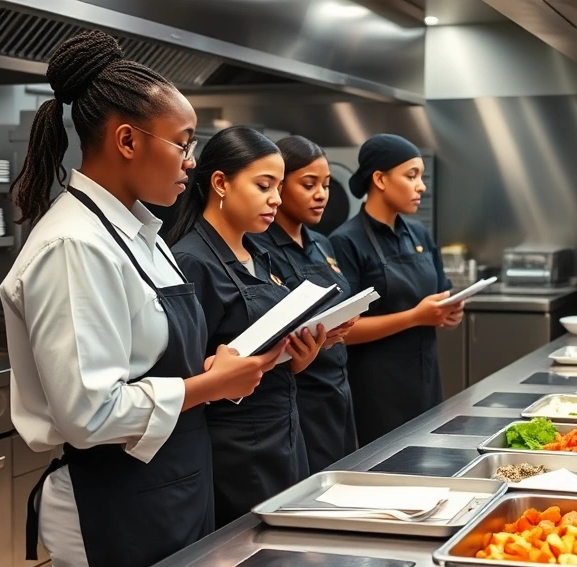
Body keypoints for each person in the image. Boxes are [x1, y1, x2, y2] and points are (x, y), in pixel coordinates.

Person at [1, 30, 284, 567]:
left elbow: (152, 363)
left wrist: (223, 367)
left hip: (170, 484)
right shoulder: (73, 244)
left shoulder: (143, 233)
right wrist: (212, 385)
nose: (191, 162)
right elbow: (91, 413)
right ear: (127, 141)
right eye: (183, 143)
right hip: (112, 498)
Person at [165, 126, 330, 527]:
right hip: (235, 447)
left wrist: (297, 357)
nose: (276, 198)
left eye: (277, 185)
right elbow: (184, 373)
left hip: (284, 428)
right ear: (220, 182)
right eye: (264, 185)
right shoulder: (193, 261)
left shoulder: (258, 251)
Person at [329, 134, 464, 446]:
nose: (421, 187)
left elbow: (441, 293)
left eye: (421, 177)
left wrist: (450, 311)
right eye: (411, 176)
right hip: (376, 389)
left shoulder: (418, 233)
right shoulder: (346, 241)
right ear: (380, 179)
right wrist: (416, 317)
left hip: (425, 378)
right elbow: (344, 331)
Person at [249, 135, 359, 473]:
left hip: (338, 388)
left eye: (325, 184)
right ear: (279, 187)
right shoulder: (258, 247)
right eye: (309, 184)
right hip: (300, 393)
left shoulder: (322, 243)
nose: (321, 194)